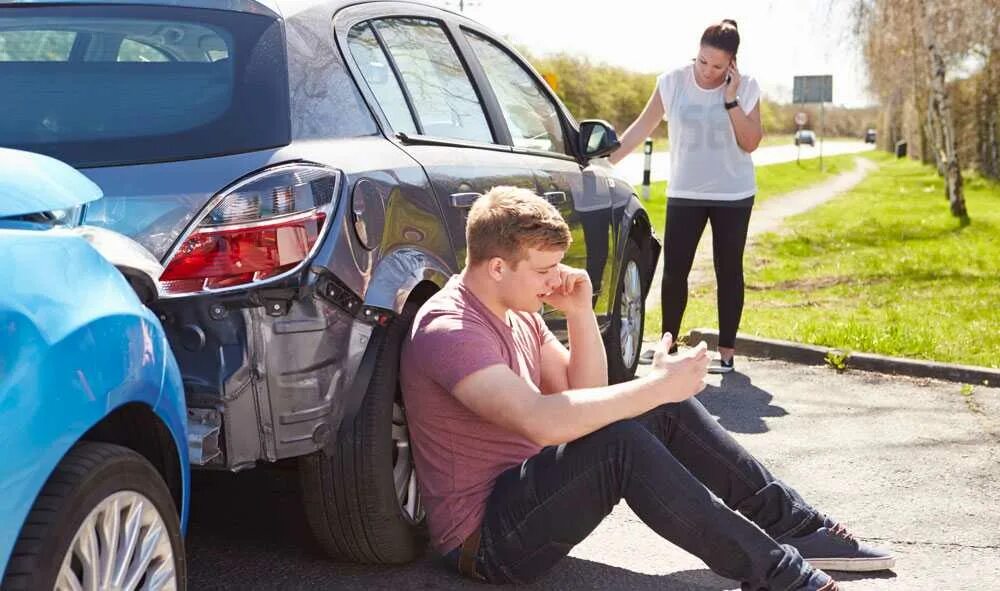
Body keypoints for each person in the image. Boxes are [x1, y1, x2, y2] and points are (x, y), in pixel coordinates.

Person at [399, 186, 893, 590]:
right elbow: (542, 421)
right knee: (625, 438)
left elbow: (585, 393)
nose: (554, 281)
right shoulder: (452, 329)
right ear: (498, 267)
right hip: (485, 542)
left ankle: (798, 527)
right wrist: (654, 387)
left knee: (658, 409)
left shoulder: (514, 309)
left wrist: (580, 311)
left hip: (530, 498)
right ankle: (776, 574)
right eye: (544, 270)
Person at [610, 19, 762, 373]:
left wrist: (731, 100)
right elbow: (639, 129)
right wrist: (603, 161)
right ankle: (667, 343)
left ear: (733, 64)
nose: (708, 71)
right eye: (702, 62)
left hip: (733, 194)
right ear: (696, 53)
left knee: (729, 270)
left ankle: (725, 354)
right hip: (684, 192)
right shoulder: (672, 81)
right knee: (675, 270)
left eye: (718, 66)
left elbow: (751, 142)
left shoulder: (748, 87)